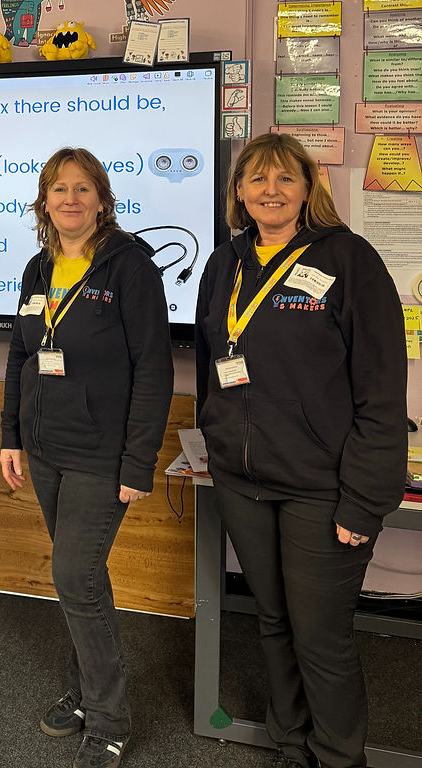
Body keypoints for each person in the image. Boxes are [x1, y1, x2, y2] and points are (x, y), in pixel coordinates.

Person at [195, 133, 407, 768]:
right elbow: (214, 360)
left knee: (321, 637)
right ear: (239, 193)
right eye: (256, 180)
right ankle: (292, 748)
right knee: (272, 620)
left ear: (309, 189)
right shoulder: (224, 263)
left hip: (322, 486)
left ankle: (338, 757)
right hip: (242, 479)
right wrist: (216, 433)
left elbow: (380, 389)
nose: (270, 191)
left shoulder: (349, 259)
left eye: (285, 179)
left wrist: (363, 500)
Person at [0, 147, 174, 768]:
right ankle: (83, 693)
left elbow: (154, 367)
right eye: (58, 189)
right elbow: (21, 357)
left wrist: (139, 463)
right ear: (43, 202)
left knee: (73, 576)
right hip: (44, 448)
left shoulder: (130, 268)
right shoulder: (36, 269)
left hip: (102, 454)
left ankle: (109, 719)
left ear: (102, 199)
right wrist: (10, 436)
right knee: (83, 581)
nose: (70, 199)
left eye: (82, 188)